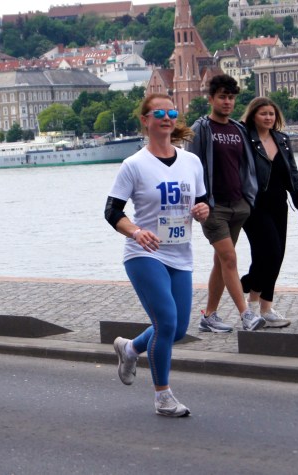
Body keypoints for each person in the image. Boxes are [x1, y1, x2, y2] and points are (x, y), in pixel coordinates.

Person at [106, 93, 209, 417]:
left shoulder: (191, 162)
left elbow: (203, 202)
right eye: (160, 113)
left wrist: (204, 210)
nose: (167, 118)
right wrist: (136, 231)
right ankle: (163, 396)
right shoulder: (134, 165)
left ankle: (130, 348)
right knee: (165, 321)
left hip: (181, 253)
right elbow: (112, 211)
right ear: (145, 120)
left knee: (177, 329)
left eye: (172, 113)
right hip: (144, 253)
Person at [186, 74, 264, 333]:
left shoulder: (238, 129)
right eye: (222, 97)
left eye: (231, 97)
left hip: (238, 205)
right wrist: (199, 202)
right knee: (230, 258)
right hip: (213, 207)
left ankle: (209, 316)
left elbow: (246, 166)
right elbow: (190, 167)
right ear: (211, 99)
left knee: (221, 261)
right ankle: (246, 314)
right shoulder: (201, 128)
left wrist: (248, 199)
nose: (227, 102)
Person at [239, 97, 298, 327]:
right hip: (253, 206)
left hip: (279, 204)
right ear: (253, 116)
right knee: (271, 251)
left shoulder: (282, 140)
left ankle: (263, 307)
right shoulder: (244, 139)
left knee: (275, 256)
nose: (268, 117)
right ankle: (244, 285)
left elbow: (294, 175)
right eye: (263, 114)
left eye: (271, 114)